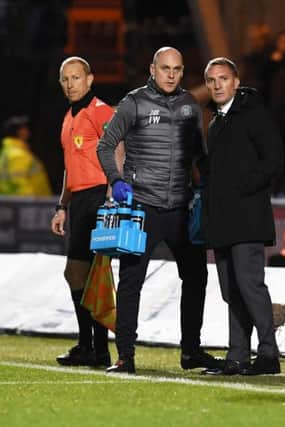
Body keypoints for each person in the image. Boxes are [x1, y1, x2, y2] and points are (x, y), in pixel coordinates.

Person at [97, 47, 217, 374]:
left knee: (197, 278)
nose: (171, 74)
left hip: (181, 208)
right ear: (153, 68)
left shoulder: (190, 105)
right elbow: (105, 145)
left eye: (177, 69)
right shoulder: (133, 102)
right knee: (132, 281)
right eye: (165, 68)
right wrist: (116, 180)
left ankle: (191, 352)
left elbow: (198, 153)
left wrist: (208, 185)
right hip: (143, 207)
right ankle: (125, 356)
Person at [200, 57, 283, 376]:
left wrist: (243, 188)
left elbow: (274, 159)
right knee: (230, 289)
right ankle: (237, 356)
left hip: (247, 217)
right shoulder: (216, 121)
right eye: (211, 80)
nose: (217, 84)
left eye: (223, 78)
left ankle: (268, 353)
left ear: (235, 82)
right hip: (222, 219)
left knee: (249, 285)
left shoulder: (254, 114)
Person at [50, 56, 115, 367]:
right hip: (79, 202)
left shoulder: (100, 110)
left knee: (88, 274)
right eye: (65, 79)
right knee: (80, 274)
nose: (70, 84)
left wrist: (114, 192)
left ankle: (95, 347)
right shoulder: (68, 117)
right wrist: (62, 205)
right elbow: (69, 166)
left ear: (89, 79)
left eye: (76, 77)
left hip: (99, 197)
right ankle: (93, 346)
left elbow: (118, 147)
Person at [0, 115, 52, 196]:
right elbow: (19, 182)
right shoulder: (17, 155)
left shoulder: (8, 151)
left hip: (23, 204)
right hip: (29, 205)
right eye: (24, 128)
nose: (28, 131)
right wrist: (30, 204)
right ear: (19, 132)